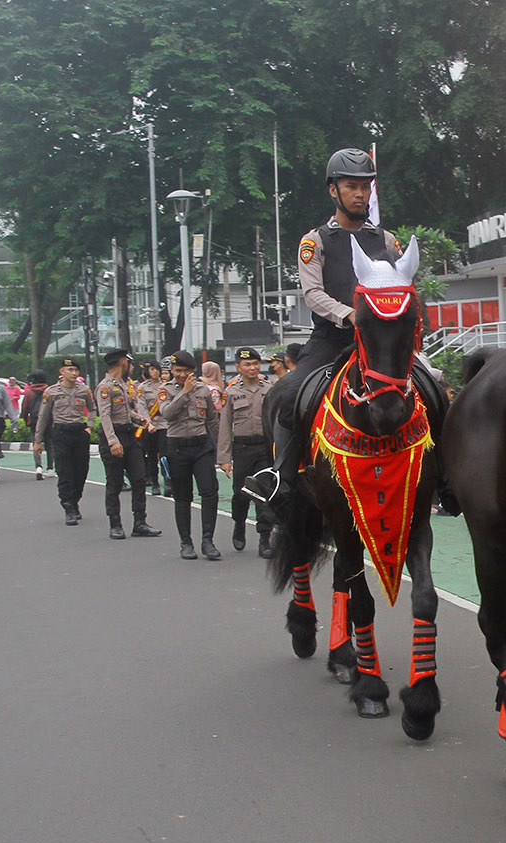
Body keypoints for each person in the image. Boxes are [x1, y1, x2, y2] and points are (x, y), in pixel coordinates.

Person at [244, 148, 400, 507]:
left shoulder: (386, 241)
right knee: (287, 395)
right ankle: (279, 475)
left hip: (381, 343)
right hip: (332, 340)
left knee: (434, 387)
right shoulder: (314, 241)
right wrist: (349, 314)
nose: (360, 194)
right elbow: (312, 294)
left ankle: (445, 477)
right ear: (334, 190)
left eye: (366, 187)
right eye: (351, 186)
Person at [161, 350, 221, 559]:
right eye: (178, 371)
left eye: (186, 371)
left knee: (209, 492)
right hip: (177, 446)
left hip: (201, 446)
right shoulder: (166, 390)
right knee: (183, 496)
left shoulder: (203, 390)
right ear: (171, 370)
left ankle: (208, 541)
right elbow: (167, 414)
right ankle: (186, 542)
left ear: (193, 372)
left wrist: (221, 451)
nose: (181, 375)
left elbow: (213, 421)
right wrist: (184, 393)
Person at [95, 349, 160, 540]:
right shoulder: (105, 387)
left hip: (129, 436)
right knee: (114, 482)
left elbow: (125, 411)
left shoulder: (123, 385)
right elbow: (105, 416)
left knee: (139, 479)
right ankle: (115, 524)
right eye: (129, 363)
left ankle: (140, 522)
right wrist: (113, 441)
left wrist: (140, 419)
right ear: (123, 362)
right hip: (113, 437)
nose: (131, 367)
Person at [218, 347, 273, 557]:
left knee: (264, 493)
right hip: (242, 448)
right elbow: (225, 426)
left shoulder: (269, 389)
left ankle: (264, 538)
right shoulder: (231, 392)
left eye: (256, 364)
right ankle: (239, 524)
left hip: (264, 448)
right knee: (241, 493)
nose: (252, 368)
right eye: (248, 364)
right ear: (239, 367)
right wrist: (224, 458)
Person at [34, 357, 96, 525]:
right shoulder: (51, 392)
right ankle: (68, 506)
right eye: (70, 370)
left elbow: (92, 409)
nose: (74, 373)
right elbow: (43, 417)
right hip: (61, 433)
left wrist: (89, 426)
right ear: (62, 372)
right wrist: (38, 440)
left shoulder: (84, 390)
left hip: (79, 432)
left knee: (81, 471)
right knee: (64, 471)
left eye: (76, 370)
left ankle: (75, 501)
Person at [135, 361, 169, 496]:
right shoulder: (142, 388)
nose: (155, 372)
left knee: (165, 455)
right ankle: (154, 482)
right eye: (152, 369)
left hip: (165, 424)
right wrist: (148, 423)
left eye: (157, 369)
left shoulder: (166, 386)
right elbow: (141, 407)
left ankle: (167, 480)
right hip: (150, 426)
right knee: (152, 455)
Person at [21, 370, 50, 479]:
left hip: (34, 420)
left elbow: (25, 407)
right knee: (49, 443)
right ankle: (50, 467)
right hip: (48, 420)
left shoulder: (29, 392)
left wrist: (24, 419)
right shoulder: (49, 390)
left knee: (36, 442)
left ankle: (38, 466)